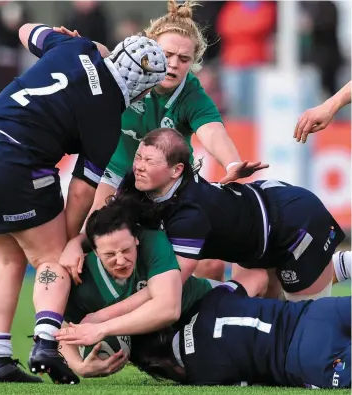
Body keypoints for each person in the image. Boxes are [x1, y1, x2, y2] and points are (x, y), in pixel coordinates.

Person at [0, 23, 167, 384]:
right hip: (12, 157)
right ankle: (47, 344)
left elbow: (25, 30)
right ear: (142, 86)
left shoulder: (75, 48)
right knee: (53, 261)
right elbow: (82, 191)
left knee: (9, 257)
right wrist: (68, 243)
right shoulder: (107, 116)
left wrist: (69, 36)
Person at [63, 0, 268, 282]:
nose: (173, 64)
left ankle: (202, 322)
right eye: (167, 54)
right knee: (95, 244)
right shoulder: (129, 69)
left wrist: (232, 162)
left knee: (211, 265)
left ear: (194, 61)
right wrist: (70, 44)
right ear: (150, 47)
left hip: (166, 185)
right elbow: (98, 53)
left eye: (184, 59)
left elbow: (212, 131)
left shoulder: (192, 95)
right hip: (115, 173)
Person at [112, 127, 348, 303]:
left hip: (295, 224)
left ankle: (338, 266)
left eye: (149, 160)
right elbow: (106, 226)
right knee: (264, 321)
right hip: (258, 230)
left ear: (177, 170)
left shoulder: (190, 214)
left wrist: (104, 319)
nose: (139, 166)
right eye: (138, 157)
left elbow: (168, 292)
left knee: (301, 328)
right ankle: (337, 266)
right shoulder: (137, 182)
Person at [54, 202, 268, 377]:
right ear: (94, 252)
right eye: (110, 255)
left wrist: (103, 325)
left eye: (126, 250)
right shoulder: (85, 277)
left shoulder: (152, 241)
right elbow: (63, 330)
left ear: (136, 239)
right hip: (159, 345)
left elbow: (167, 310)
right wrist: (79, 367)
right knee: (200, 373)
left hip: (203, 304)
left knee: (258, 280)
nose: (121, 260)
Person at [131, 281, 351, 388]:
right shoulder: (208, 299)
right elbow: (252, 280)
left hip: (303, 357)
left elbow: (250, 383)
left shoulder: (203, 376)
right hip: (316, 312)